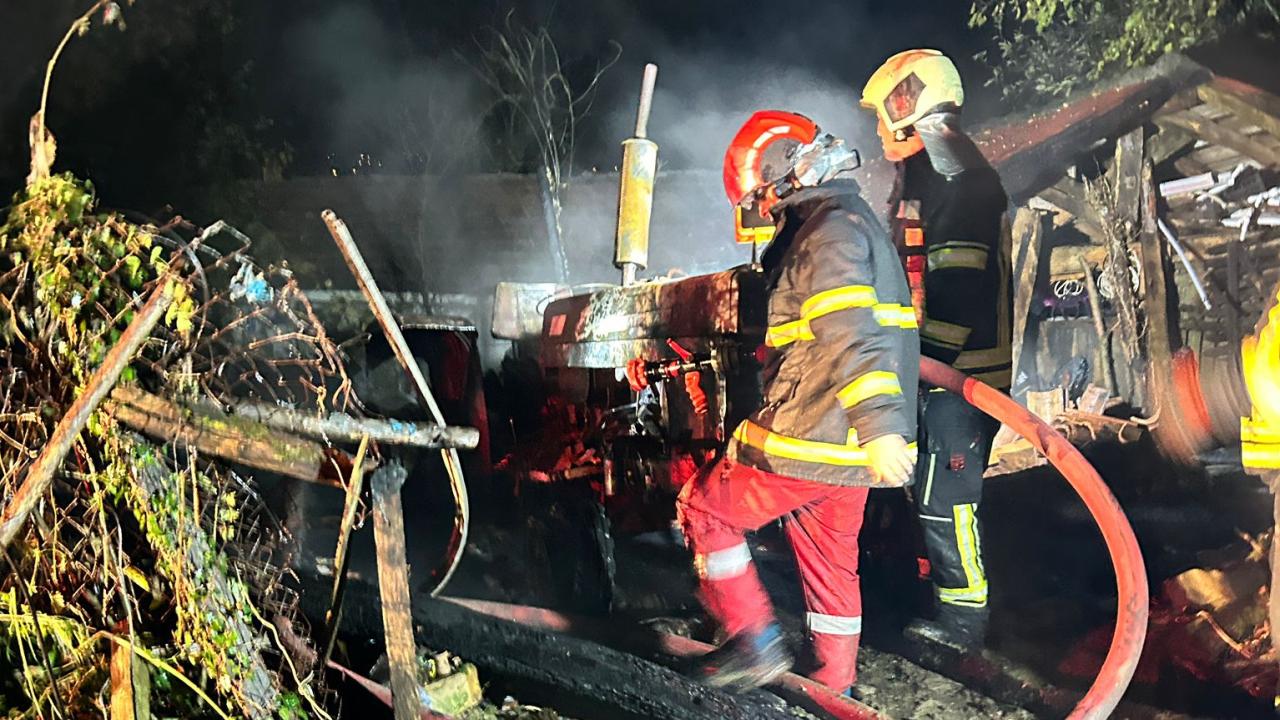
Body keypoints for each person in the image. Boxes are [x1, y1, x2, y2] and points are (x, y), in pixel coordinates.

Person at [675, 110, 919, 694]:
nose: (761, 212)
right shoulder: (851, 221)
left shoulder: (826, 234)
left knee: (705, 508)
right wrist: (877, 433)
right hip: (848, 451)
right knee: (831, 564)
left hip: (815, 433)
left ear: (788, 177)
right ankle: (834, 684)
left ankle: (752, 640)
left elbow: (850, 331)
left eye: (762, 196)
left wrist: (880, 425)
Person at [859, 49, 1012, 651]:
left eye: (882, 114)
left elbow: (958, 288)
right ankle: (921, 594)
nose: (877, 129)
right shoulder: (930, 175)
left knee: (946, 499)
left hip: (959, 375)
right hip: (933, 368)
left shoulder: (957, 178)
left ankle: (965, 623)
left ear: (909, 104)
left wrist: (921, 369)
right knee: (920, 492)